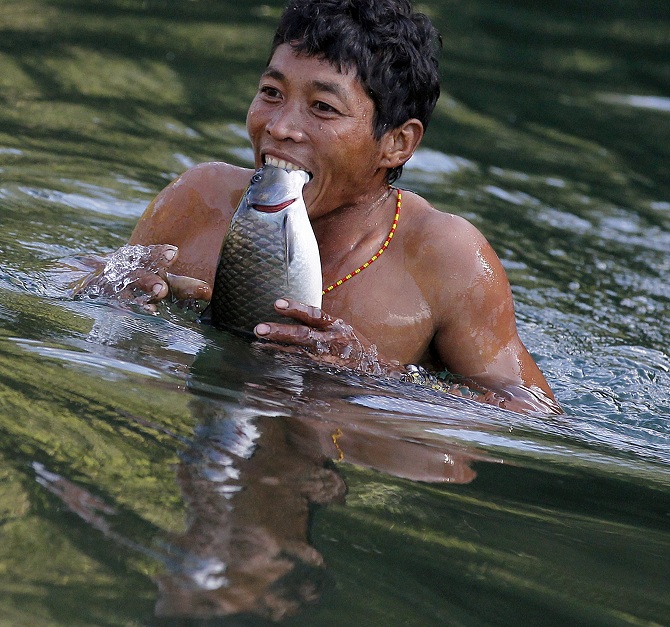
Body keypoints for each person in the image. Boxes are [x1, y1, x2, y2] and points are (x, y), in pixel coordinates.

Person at [78, 0, 560, 415]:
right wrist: (110, 290)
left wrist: (373, 378)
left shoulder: (444, 258)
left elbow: (534, 417)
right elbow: (63, 284)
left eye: (323, 107)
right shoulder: (198, 199)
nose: (281, 127)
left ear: (396, 143)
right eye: (271, 93)